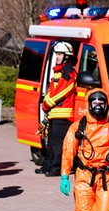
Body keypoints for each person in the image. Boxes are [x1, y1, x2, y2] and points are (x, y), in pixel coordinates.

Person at [36, 41, 77, 177]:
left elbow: (62, 91)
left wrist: (47, 103)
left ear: (67, 56)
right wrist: (47, 102)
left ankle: (56, 168)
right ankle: (48, 165)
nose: (57, 57)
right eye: (57, 54)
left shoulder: (68, 72)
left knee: (58, 144)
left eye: (60, 54)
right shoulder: (58, 72)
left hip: (63, 113)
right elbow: (51, 89)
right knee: (52, 142)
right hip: (55, 112)